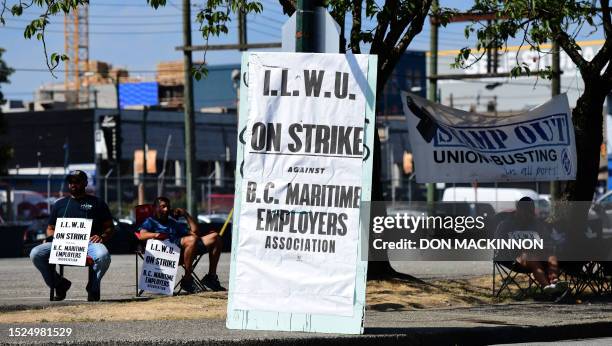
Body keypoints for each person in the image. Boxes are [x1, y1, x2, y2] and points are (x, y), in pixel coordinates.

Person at [30, 170, 114, 302]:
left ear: (85, 183)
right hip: (63, 243)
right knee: (36, 253)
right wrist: (52, 238)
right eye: (70, 182)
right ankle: (59, 284)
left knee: (103, 256)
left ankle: (93, 287)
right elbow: (50, 228)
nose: (73, 184)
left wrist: (102, 236)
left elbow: (110, 227)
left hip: (89, 244)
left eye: (77, 181)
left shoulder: (97, 203)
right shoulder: (59, 204)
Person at [138, 196, 225, 293]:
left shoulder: (172, 222)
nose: (166, 209)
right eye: (162, 207)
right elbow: (141, 235)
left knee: (215, 237)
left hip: (185, 250)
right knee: (192, 240)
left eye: (168, 207)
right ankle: (187, 280)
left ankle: (211, 278)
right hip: (166, 251)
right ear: (155, 208)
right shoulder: (150, 221)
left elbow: (195, 232)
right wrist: (156, 234)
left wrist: (185, 214)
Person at [496, 197, 568, 299]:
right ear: (518, 209)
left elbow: (547, 239)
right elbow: (498, 243)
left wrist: (543, 246)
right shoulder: (506, 224)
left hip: (538, 252)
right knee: (532, 258)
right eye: (525, 211)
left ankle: (554, 282)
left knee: (552, 257)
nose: (528, 215)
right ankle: (547, 287)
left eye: (530, 211)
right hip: (514, 256)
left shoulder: (537, 223)